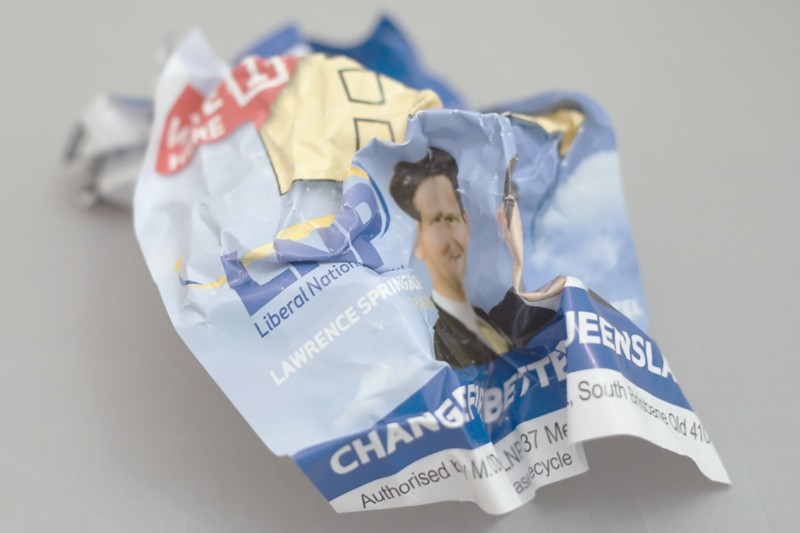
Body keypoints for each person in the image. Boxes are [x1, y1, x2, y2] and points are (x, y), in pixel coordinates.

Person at [390, 147, 564, 368]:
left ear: (466, 223)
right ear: (417, 242)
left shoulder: (492, 320)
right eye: (436, 221)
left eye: (452, 219)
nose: (450, 239)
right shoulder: (428, 341)